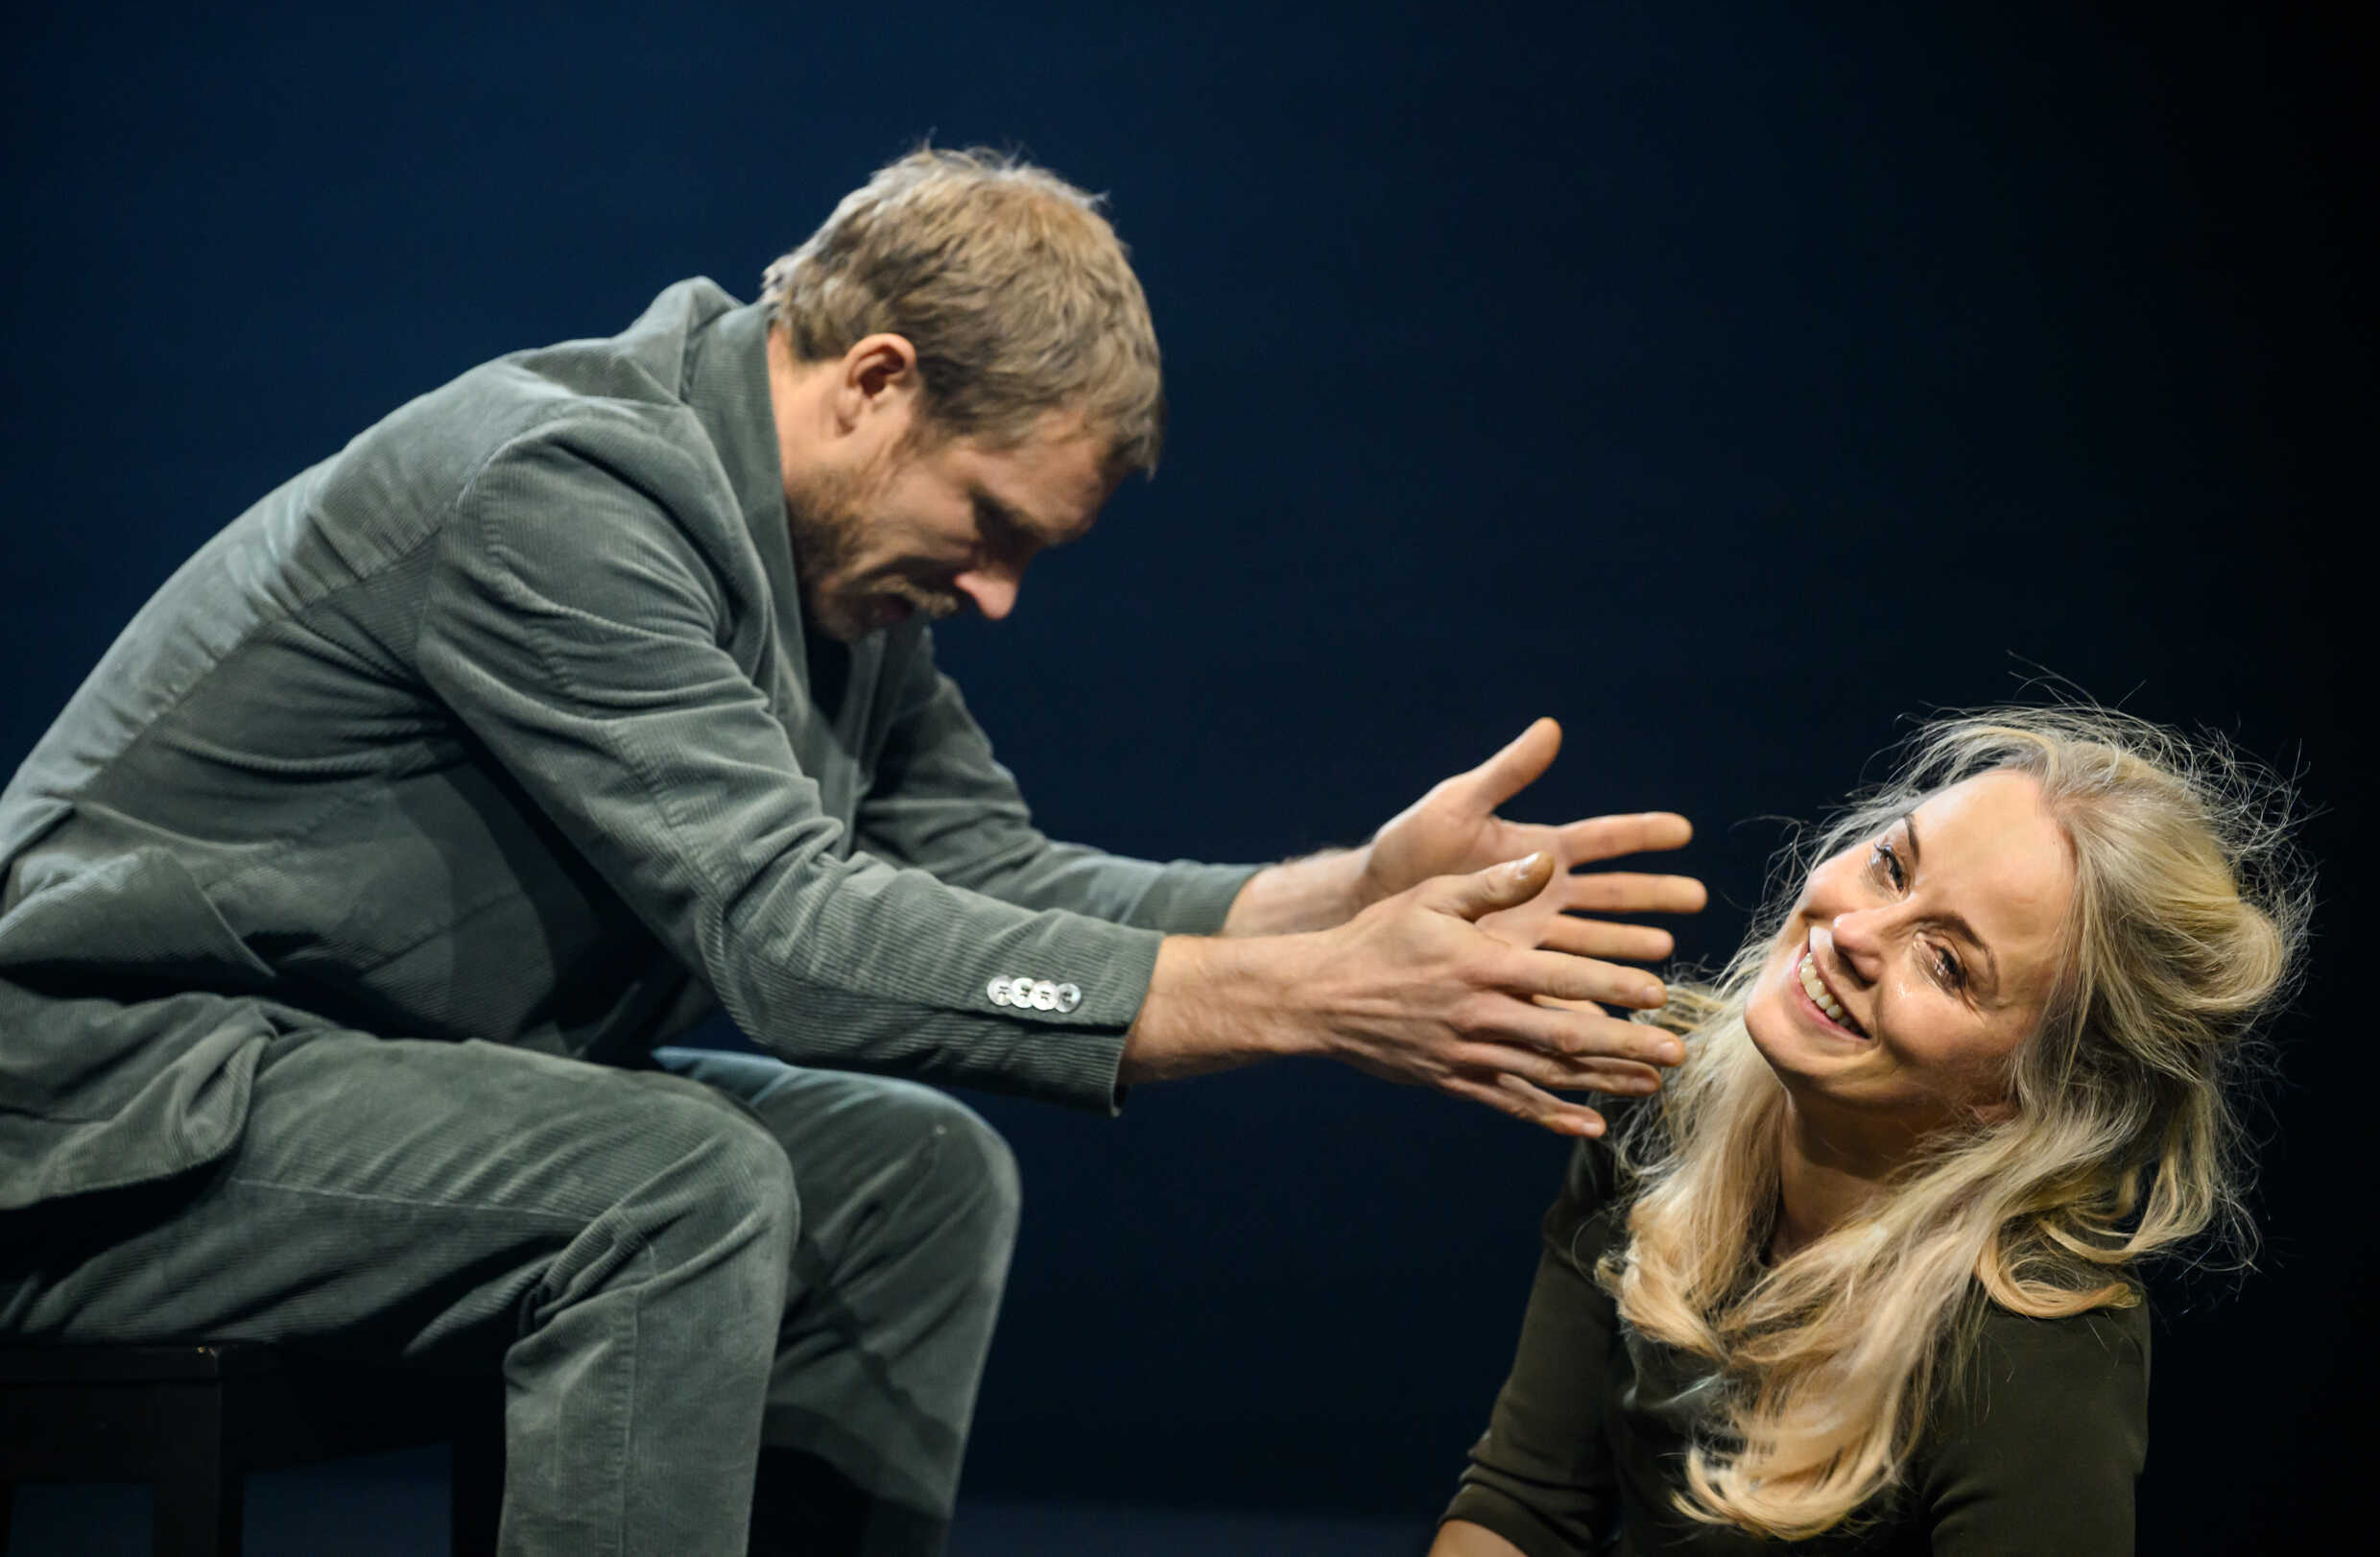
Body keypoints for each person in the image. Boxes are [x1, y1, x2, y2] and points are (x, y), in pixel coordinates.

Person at [0, 148, 1705, 1557]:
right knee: (676, 1181)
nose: (997, 594)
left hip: (343, 1074)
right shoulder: (566, 491)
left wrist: (1342, 896)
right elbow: (793, 938)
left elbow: (995, 885)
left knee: (913, 1177)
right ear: (876, 380)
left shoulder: (837, 589)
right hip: (109, 1100)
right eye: (991, 526)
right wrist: (1315, 1000)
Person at [1432, 707, 2307, 1555]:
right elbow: (1524, 1503)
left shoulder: (2035, 1347)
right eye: (1892, 865)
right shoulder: (1657, 1093)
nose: (1852, 932)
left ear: (2028, 1096)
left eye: (1947, 962)